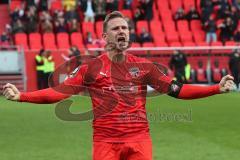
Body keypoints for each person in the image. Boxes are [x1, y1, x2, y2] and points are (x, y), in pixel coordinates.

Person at [2, 11, 236, 160]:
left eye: (125, 28)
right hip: (105, 144)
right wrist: (22, 96)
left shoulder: (145, 67)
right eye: (116, 28)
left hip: (139, 142)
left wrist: (215, 88)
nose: (122, 31)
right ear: (105, 36)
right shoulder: (89, 68)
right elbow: (59, 93)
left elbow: (177, 90)